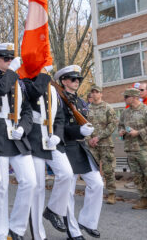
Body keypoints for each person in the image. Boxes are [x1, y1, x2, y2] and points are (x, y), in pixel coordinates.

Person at [0, 43, 36, 240]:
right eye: (5, 58)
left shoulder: (20, 82)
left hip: (17, 136)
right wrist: (13, 71)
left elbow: (28, 111)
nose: (9, 62)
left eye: (11, 59)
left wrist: (23, 127)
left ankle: (16, 228)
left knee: (30, 182)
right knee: (1, 187)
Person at [23, 66, 73, 239]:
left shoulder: (53, 90)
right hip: (34, 139)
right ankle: (38, 235)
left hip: (52, 138)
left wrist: (58, 136)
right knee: (37, 189)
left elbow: (60, 117)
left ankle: (53, 210)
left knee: (66, 173)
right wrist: (42, 76)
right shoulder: (27, 84)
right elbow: (32, 95)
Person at [56, 66, 103, 239]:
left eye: (78, 79)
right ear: (63, 81)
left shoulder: (82, 103)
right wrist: (78, 131)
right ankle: (73, 231)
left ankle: (87, 221)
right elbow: (58, 126)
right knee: (68, 192)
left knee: (97, 184)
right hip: (66, 147)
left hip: (81, 148)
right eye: (73, 79)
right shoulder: (58, 101)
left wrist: (88, 130)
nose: (76, 82)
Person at [118, 88, 147, 212]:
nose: (124, 99)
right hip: (131, 149)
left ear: (134, 97)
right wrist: (121, 131)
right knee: (137, 176)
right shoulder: (125, 113)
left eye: (126, 97)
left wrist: (138, 132)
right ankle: (143, 200)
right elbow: (120, 125)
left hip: (145, 149)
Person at [87, 85, 119, 205]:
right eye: (93, 92)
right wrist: (89, 139)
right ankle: (94, 193)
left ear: (101, 94)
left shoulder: (108, 108)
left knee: (108, 169)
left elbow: (112, 125)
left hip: (105, 144)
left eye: (97, 92)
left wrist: (99, 137)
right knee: (92, 170)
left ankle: (111, 194)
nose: (95, 94)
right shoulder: (87, 108)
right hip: (92, 145)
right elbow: (83, 125)